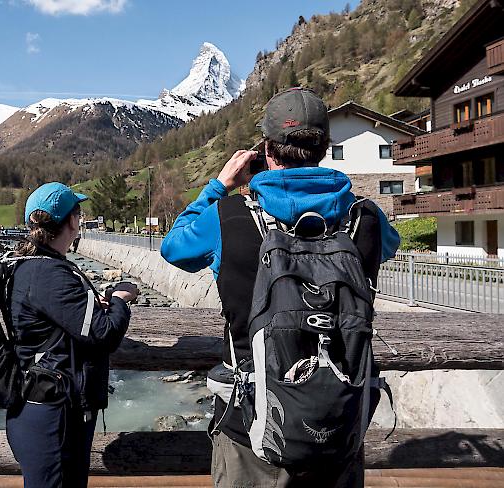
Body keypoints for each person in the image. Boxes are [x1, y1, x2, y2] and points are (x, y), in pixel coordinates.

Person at [160, 88, 400, 488]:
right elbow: (389, 248)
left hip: (249, 429)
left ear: (267, 149)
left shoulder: (229, 215)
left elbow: (174, 249)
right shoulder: (367, 218)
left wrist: (219, 185)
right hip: (338, 423)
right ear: (325, 148)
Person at [7, 182, 139, 488]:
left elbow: (59, 320)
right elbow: (104, 334)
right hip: (53, 416)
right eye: (78, 214)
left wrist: (94, 305)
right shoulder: (50, 274)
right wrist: (120, 299)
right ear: (71, 221)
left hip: (36, 407)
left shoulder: (29, 265)